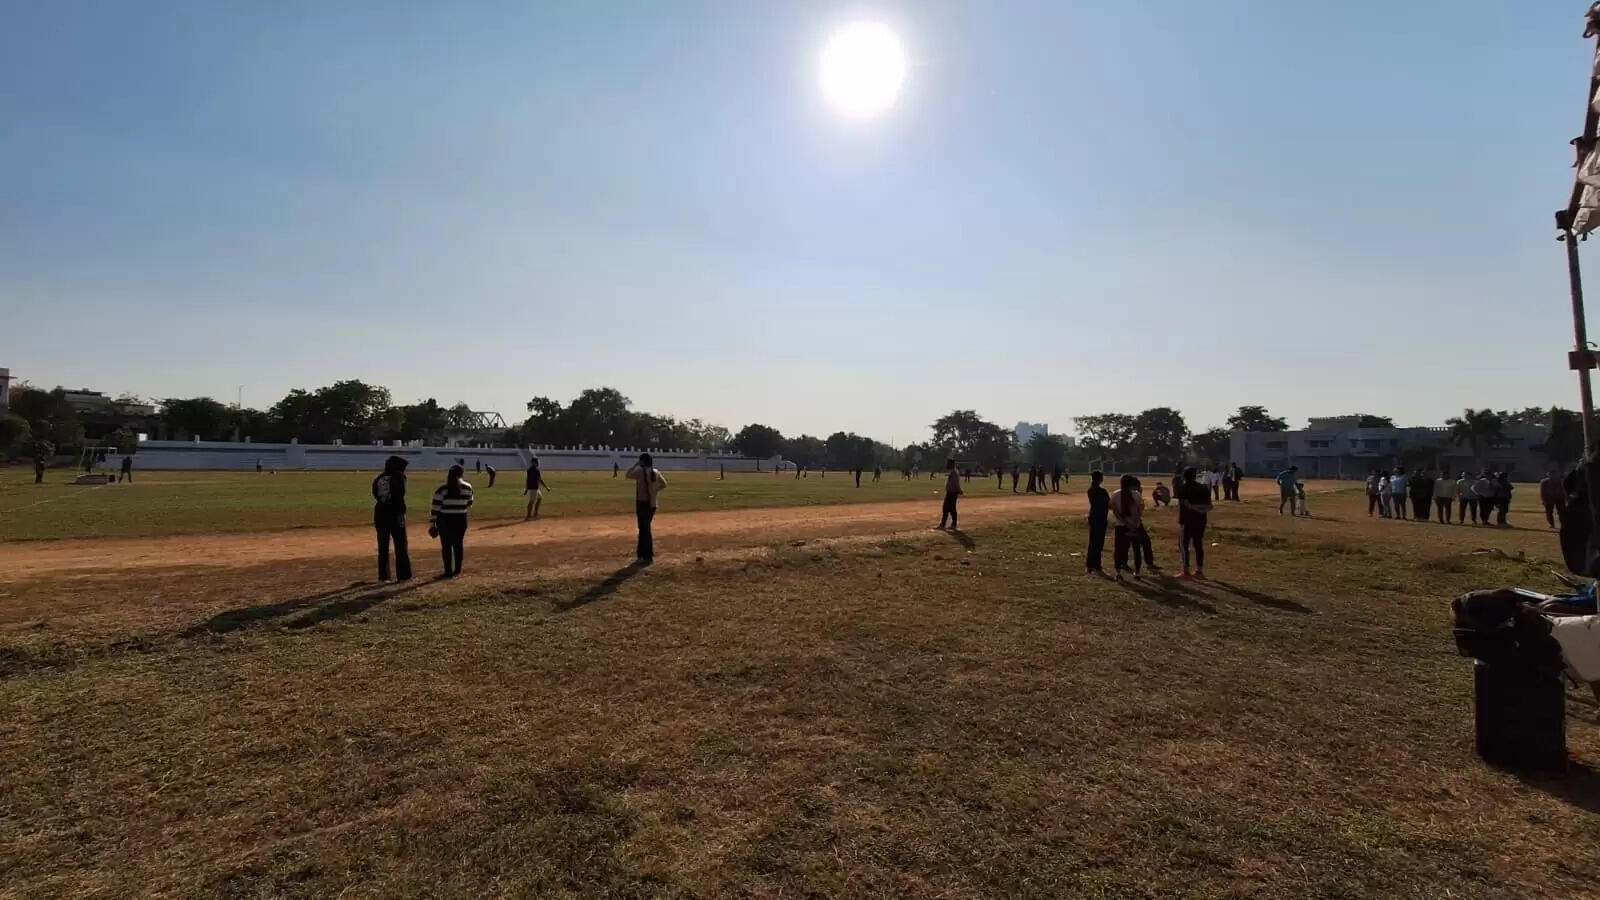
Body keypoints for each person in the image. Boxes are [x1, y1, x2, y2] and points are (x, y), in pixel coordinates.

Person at [429, 464, 474, 577]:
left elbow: (435, 508)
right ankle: (457, 570)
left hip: (445, 520)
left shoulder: (442, 489)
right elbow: (469, 503)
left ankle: (448, 571)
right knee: (458, 544)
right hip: (461, 519)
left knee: (446, 546)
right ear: (462, 474)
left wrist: (432, 524)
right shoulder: (468, 487)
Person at [372, 455, 412, 582]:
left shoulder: (379, 478)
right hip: (395, 513)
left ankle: (384, 576)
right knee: (401, 545)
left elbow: (375, 495)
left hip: (380, 513)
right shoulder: (399, 476)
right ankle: (404, 575)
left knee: (383, 546)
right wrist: (401, 511)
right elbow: (399, 495)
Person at [627, 452, 667, 563]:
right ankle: (647, 555)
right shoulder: (656, 472)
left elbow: (628, 475)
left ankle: (643, 555)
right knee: (646, 529)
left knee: (643, 530)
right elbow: (664, 484)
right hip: (652, 504)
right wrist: (654, 491)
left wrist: (636, 465)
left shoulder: (640, 471)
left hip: (642, 504)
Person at [1177, 467, 1213, 580]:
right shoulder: (1203, 488)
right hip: (1200, 520)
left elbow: (1186, 504)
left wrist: (1193, 507)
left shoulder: (1183, 488)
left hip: (1186, 520)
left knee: (1184, 545)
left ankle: (1186, 570)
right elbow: (1209, 506)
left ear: (1184, 476)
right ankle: (1199, 570)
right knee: (1198, 544)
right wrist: (1200, 510)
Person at [1111, 474, 1147, 580]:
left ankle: (1118, 572)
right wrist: (1134, 524)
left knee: (1119, 549)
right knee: (1136, 549)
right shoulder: (1137, 495)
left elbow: (1115, 512)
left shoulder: (1115, 494)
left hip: (1121, 526)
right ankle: (1137, 572)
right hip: (1135, 525)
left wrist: (1126, 523)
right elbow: (1140, 511)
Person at [1086, 470, 1110, 576]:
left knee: (1092, 542)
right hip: (1101, 518)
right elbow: (1109, 504)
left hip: (1093, 517)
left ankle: (1090, 565)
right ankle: (1097, 565)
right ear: (1101, 479)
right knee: (1099, 543)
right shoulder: (1102, 491)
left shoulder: (1091, 490)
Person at [938, 459, 963, 530]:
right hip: (951, 492)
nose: (947, 465)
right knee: (951, 508)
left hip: (952, 492)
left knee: (947, 508)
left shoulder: (954, 472)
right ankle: (951, 524)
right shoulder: (952, 472)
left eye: (948, 464)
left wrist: (959, 490)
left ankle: (944, 524)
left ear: (952, 464)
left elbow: (956, 483)